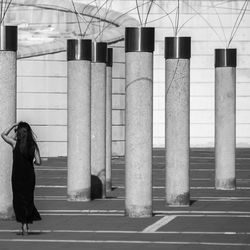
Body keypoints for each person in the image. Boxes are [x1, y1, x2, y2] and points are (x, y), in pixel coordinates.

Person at [1, 121, 42, 235]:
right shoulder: (33, 145)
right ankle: (26, 224)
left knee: (19, 200)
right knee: (28, 200)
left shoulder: (14, 143)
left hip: (17, 177)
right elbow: (38, 162)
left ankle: (24, 224)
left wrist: (13, 126)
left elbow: (3, 135)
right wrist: (32, 161)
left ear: (18, 132)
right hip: (29, 176)